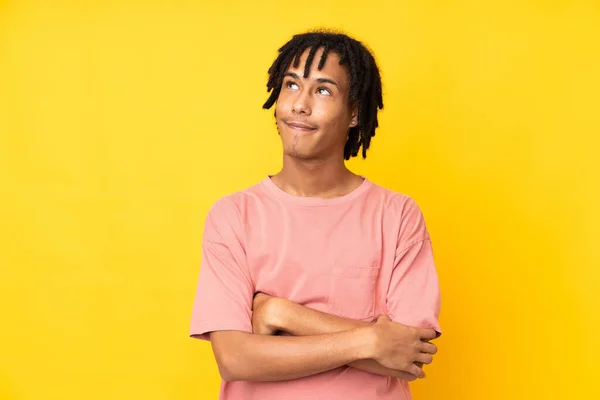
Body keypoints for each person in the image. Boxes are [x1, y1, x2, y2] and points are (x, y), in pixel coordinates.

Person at [189, 29, 442, 400]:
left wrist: (282, 314)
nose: (299, 105)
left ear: (354, 113)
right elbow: (235, 358)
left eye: (323, 90)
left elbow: (406, 356)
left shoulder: (398, 216)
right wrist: (370, 339)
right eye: (291, 85)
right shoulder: (233, 216)